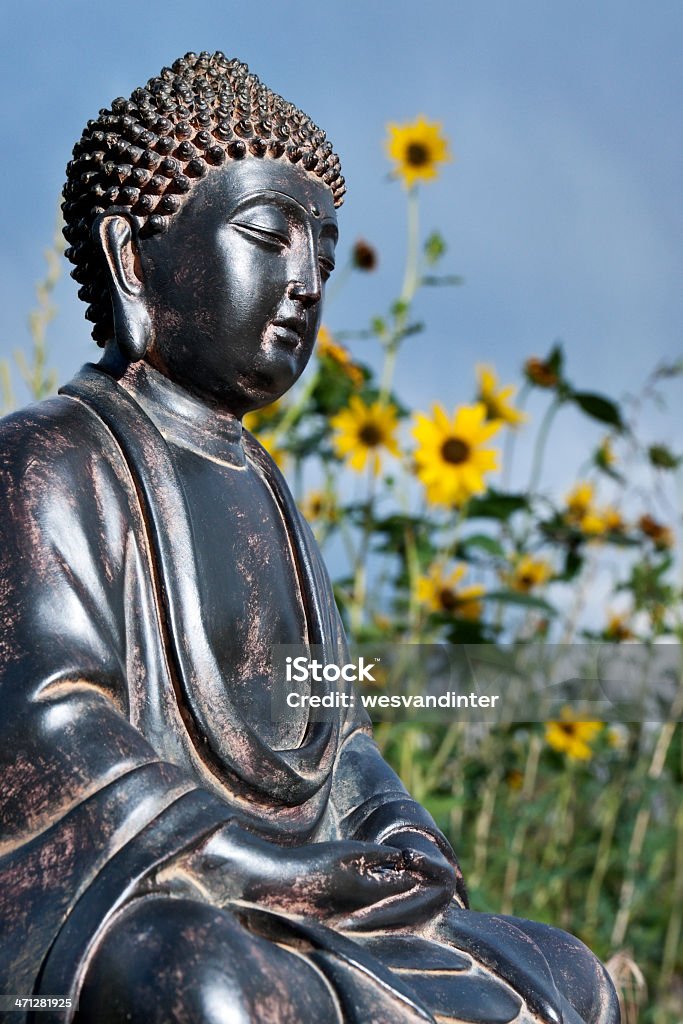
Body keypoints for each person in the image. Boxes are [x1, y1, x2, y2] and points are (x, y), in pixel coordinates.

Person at [0, 52, 619, 1023]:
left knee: (561, 972)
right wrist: (257, 865)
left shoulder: (272, 500)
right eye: (265, 237)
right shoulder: (50, 460)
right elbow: (54, 730)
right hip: (143, 892)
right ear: (132, 258)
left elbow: (338, 737)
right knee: (203, 984)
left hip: (303, 899)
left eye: (321, 259)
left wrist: (393, 837)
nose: (303, 283)